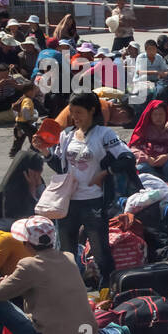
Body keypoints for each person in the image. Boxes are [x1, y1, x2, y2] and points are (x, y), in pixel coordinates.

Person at [50, 92, 132, 289]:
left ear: (92, 110)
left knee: (100, 251)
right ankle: (72, 291)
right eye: (72, 113)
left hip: (94, 201)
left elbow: (127, 159)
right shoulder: (66, 135)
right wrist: (45, 153)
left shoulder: (105, 135)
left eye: (79, 112)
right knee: (67, 252)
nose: (74, 117)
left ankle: (109, 291)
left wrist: (105, 173)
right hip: (68, 201)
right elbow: (61, 168)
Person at [0, 149, 46, 228]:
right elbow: (36, 214)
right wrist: (32, 191)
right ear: (27, 171)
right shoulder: (10, 191)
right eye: (36, 172)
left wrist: (39, 185)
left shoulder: (35, 181)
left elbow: (47, 205)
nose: (38, 175)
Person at [128, 100, 168, 184]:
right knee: (141, 168)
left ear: (166, 115)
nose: (158, 117)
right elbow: (133, 148)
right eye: (155, 115)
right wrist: (147, 158)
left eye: (161, 114)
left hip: (167, 160)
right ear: (150, 115)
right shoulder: (143, 129)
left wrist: (166, 157)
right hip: (148, 161)